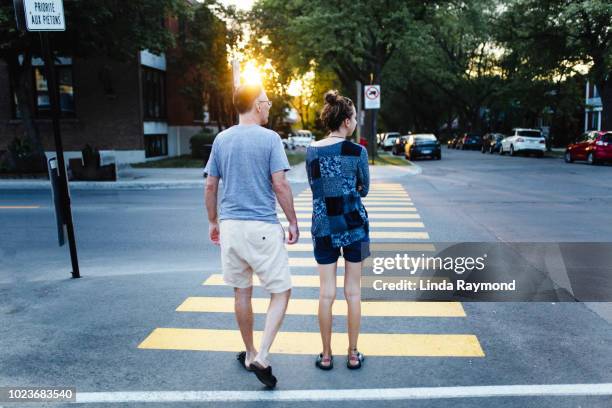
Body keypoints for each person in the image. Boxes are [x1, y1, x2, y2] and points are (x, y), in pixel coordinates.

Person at [204, 84, 299, 388]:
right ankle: (263, 354)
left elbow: (210, 186)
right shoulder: (270, 139)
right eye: (267, 102)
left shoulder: (221, 139)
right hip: (261, 227)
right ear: (257, 106)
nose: (269, 106)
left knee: (241, 293)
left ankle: (249, 352)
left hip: (231, 227)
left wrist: (212, 221)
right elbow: (280, 185)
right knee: (281, 291)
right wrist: (293, 221)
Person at [305, 90, 370, 370]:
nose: (355, 122)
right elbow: (364, 189)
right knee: (353, 293)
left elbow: (314, 187)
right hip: (355, 225)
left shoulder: (312, 150)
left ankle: (327, 354)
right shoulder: (358, 152)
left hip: (323, 226)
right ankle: (353, 354)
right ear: (346, 121)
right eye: (354, 118)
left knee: (326, 293)